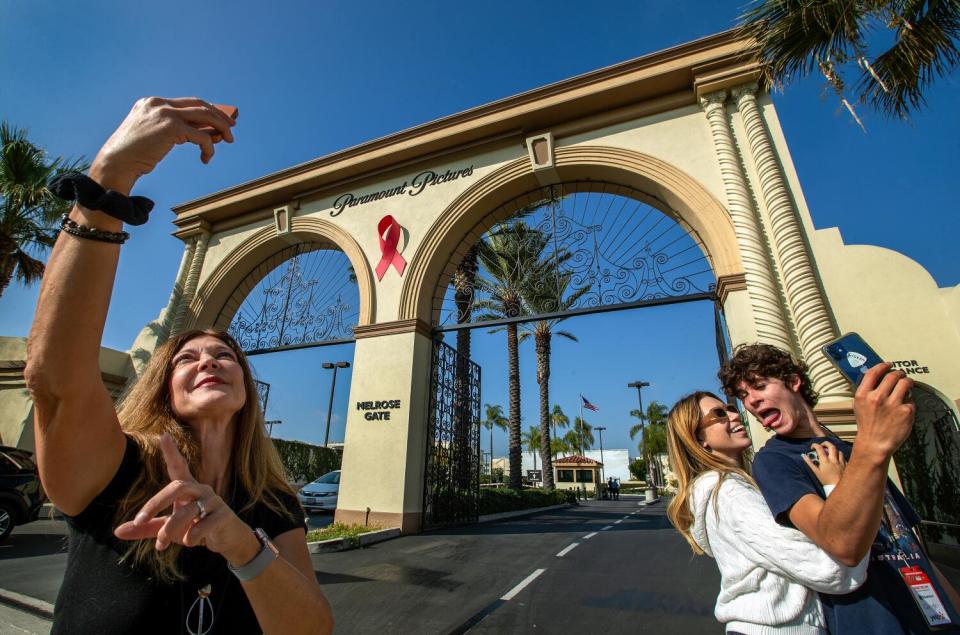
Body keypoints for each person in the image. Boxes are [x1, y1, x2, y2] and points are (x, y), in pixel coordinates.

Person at [25, 98, 334, 634]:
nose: (209, 360)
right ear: (161, 389)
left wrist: (242, 545)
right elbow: (56, 381)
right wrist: (109, 180)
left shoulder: (272, 502)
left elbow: (311, 629)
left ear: (247, 386)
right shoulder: (115, 469)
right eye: (186, 357)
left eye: (224, 355)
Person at [720, 343, 960, 634]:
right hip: (873, 623)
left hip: (933, 617)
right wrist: (872, 446)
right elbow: (841, 544)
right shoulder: (774, 462)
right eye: (743, 395)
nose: (751, 402)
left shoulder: (855, 451)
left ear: (794, 382)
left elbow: (910, 543)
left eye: (759, 386)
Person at [667, 391, 868, 634]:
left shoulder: (731, 489)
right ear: (699, 440)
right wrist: (838, 488)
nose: (734, 416)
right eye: (719, 414)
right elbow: (829, 570)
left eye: (731, 408)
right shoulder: (730, 494)